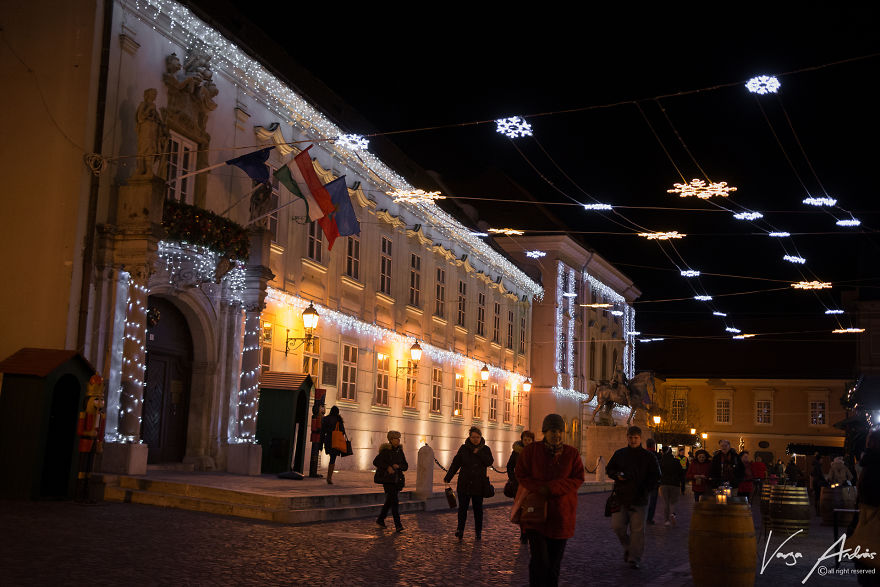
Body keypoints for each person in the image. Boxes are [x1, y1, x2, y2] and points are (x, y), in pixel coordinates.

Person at [515, 414, 585, 587]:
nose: (557, 435)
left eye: (560, 431)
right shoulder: (532, 451)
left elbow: (578, 478)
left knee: (554, 563)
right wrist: (539, 488)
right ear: (545, 432)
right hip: (536, 515)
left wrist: (552, 488)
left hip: (562, 515)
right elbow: (521, 473)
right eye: (553, 431)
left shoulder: (572, 453)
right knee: (540, 560)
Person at [606, 425, 660, 569]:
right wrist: (617, 475)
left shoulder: (649, 457)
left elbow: (656, 476)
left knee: (637, 530)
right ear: (627, 438)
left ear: (640, 438)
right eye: (630, 437)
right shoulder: (620, 454)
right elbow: (609, 469)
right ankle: (628, 547)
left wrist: (646, 489)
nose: (633, 440)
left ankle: (634, 558)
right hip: (621, 496)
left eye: (636, 438)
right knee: (617, 526)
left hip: (639, 499)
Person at [445, 426, 494, 541]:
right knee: (462, 508)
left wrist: (479, 453)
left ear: (481, 437)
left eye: (477, 437)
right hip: (464, 483)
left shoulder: (485, 449)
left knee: (478, 510)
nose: (475, 439)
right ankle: (460, 530)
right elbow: (456, 463)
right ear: (469, 437)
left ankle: (478, 532)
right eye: (473, 437)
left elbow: (490, 462)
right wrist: (448, 477)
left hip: (479, 484)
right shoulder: (463, 448)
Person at [373, 430, 408, 532]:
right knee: (394, 501)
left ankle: (380, 520)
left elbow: (405, 466)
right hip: (388, 480)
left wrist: (399, 466)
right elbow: (376, 461)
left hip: (397, 479)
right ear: (390, 440)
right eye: (395, 438)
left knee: (389, 501)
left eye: (398, 438)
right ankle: (398, 525)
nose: (398, 440)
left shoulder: (400, 451)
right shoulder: (385, 451)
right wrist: (387, 467)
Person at [507, 430, 535, 543]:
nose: (527, 442)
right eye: (525, 440)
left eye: (529, 440)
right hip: (518, 486)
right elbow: (509, 466)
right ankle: (524, 533)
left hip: (532, 487)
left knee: (531, 510)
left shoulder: (537, 452)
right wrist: (513, 479)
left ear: (532, 441)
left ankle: (530, 531)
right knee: (521, 510)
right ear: (522, 440)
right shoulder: (516, 452)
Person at [320, 405, 345, 484]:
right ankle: (329, 477)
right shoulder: (339, 420)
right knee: (333, 459)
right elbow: (343, 432)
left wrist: (321, 442)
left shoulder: (326, 419)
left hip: (328, 440)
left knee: (331, 456)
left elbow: (322, 431)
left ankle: (329, 477)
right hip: (336, 441)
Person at [658, 446, 683, 526]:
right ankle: (672, 514)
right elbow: (681, 473)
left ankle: (666, 521)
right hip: (675, 484)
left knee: (666, 503)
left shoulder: (660, 461)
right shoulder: (676, 461)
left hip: (664, 484)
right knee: (673, 502)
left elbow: (658, 473)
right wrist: (681, 483)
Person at [644, 438, 660, 525]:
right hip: (654, 482)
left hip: (644, 481)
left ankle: (643, 517)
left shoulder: (642, 454)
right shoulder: (657, 455)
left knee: (643, 500)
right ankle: (649, 518)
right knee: (652, 501)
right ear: (654, 445)